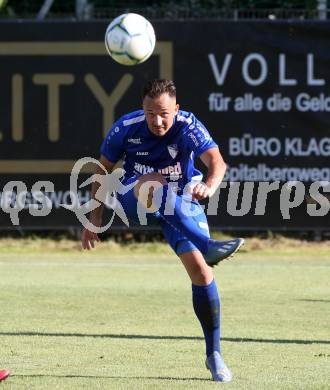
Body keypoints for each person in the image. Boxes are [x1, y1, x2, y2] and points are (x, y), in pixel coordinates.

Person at [81, 79, 244, 382]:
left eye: (164, 114)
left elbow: (217, 163)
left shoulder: (188, 124)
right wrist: (94, 219)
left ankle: (214, 354)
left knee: (202, 273)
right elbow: (102, 170)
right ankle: (207, 245)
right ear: (142, 110)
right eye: (150, 113)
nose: (157, 121)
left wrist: (207, 186)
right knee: (152, 182)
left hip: (180, 203)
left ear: (176, 109)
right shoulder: (126, 127)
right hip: (136, 199)